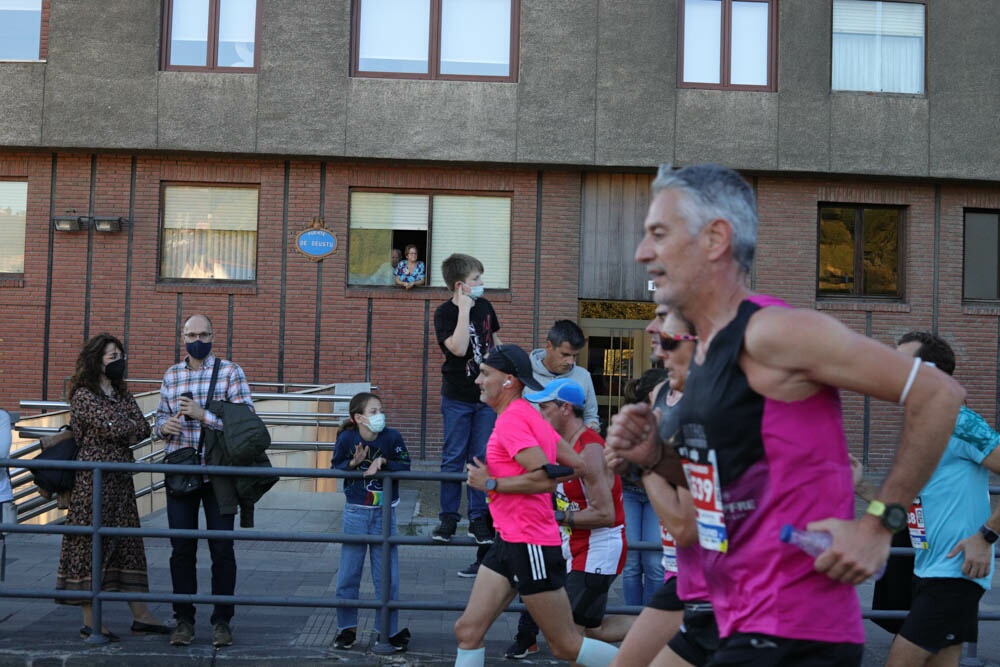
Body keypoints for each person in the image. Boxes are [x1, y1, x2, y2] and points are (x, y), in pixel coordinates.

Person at [608, 163, 965, 665]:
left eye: (658, 234)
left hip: (795, 633)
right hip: (736, 618)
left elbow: (939, 394)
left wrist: (878, 524)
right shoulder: (708, 353)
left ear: (715, 239)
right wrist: (654, 457)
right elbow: (720, 482)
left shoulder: (772, 332)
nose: (643, 252)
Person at [456, 344, 618, 667]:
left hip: (530, 541)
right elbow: (575, 463)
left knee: (566, 645)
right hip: (509, 539)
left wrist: (491, 484)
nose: (478, 380)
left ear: (509, 380)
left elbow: (544, 478)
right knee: (468, 630)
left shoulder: (511, 421)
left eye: (486, 374)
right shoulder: (527, 414)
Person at [881, 331, 999, 667]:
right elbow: (903, 510)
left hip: (955, 574)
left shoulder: (957, 420)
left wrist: (986, 536)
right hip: (928, 570)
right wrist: (862, 489)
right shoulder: (921, 425)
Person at [611, 310, 718, 667]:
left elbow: (685, 526)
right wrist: (638, 458)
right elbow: (681, 472)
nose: (654, 342)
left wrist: (645, 461)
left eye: (666, 331)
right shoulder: (666, 393)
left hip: (733, 589)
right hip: (692, 581)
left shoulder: (710, 408)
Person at [505, 378, 628, 660]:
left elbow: (605, 514)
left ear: (566, 409)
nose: (541, 413)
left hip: (599, 549)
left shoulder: (590, 450)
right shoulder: (561, 446)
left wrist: (554, 516)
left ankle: (649, 646)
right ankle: (663, 633)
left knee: (567, 638)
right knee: (591, 631)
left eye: (546, 407)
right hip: (576, 549)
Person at [56, 333, 168, 641]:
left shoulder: (121, 393)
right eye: (111, 356)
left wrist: (122, 427)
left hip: (121, 480)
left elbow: (142, 428)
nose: (118, 361)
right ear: (97, 360)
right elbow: (115, 427)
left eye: (120, 355)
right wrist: (123, 426)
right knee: (93, 546)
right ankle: (91, 623)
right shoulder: (82, 394)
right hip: (93, 481)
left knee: (129, 544)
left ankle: (141, 616)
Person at [155, 314, 253, 648]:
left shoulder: (230, 372)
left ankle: (222, 621)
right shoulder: (171, 375)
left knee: (222, 549)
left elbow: (246, 425)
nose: (197, 339)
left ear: (213, 336)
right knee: (181, 549)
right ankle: (183, 620)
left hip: (219, 474)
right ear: (182, 336)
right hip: (182, 471)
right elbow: (158, 417)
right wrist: (163, 427)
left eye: (203, 333)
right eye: (191, 334)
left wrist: (203, 415)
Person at [331, 392, 412, 653]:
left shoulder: (392, 437)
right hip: (355, 512)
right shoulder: (346, 438)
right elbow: (336, 466)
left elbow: (406, 465)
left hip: (384, 513)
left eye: (380, 410)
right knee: (348, 574)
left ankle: (386, 630)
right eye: (374, 411)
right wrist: (353, 463)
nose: (380, 416)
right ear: (358, 418)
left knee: (387, 576)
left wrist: (383, 460)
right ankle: (346, 629)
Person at [432, 253, 501, 552]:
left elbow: (494, 341)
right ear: (460, 285)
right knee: (452, 457)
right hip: (458, 397)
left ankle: (478, 518)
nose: (482, 284)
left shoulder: (486, 306)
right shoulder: (444, 314)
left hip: (485, 398)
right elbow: (459, 349)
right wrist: (463, 310)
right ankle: (448, 517)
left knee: (481, 458)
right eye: (476, 279)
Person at [529, 320, 600, 430]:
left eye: (574, 356)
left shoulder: (583, 376)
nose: (570, 361)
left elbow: (590, 417)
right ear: (549, 346)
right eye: (565, 354)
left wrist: (592, 429)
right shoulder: (525, 375)